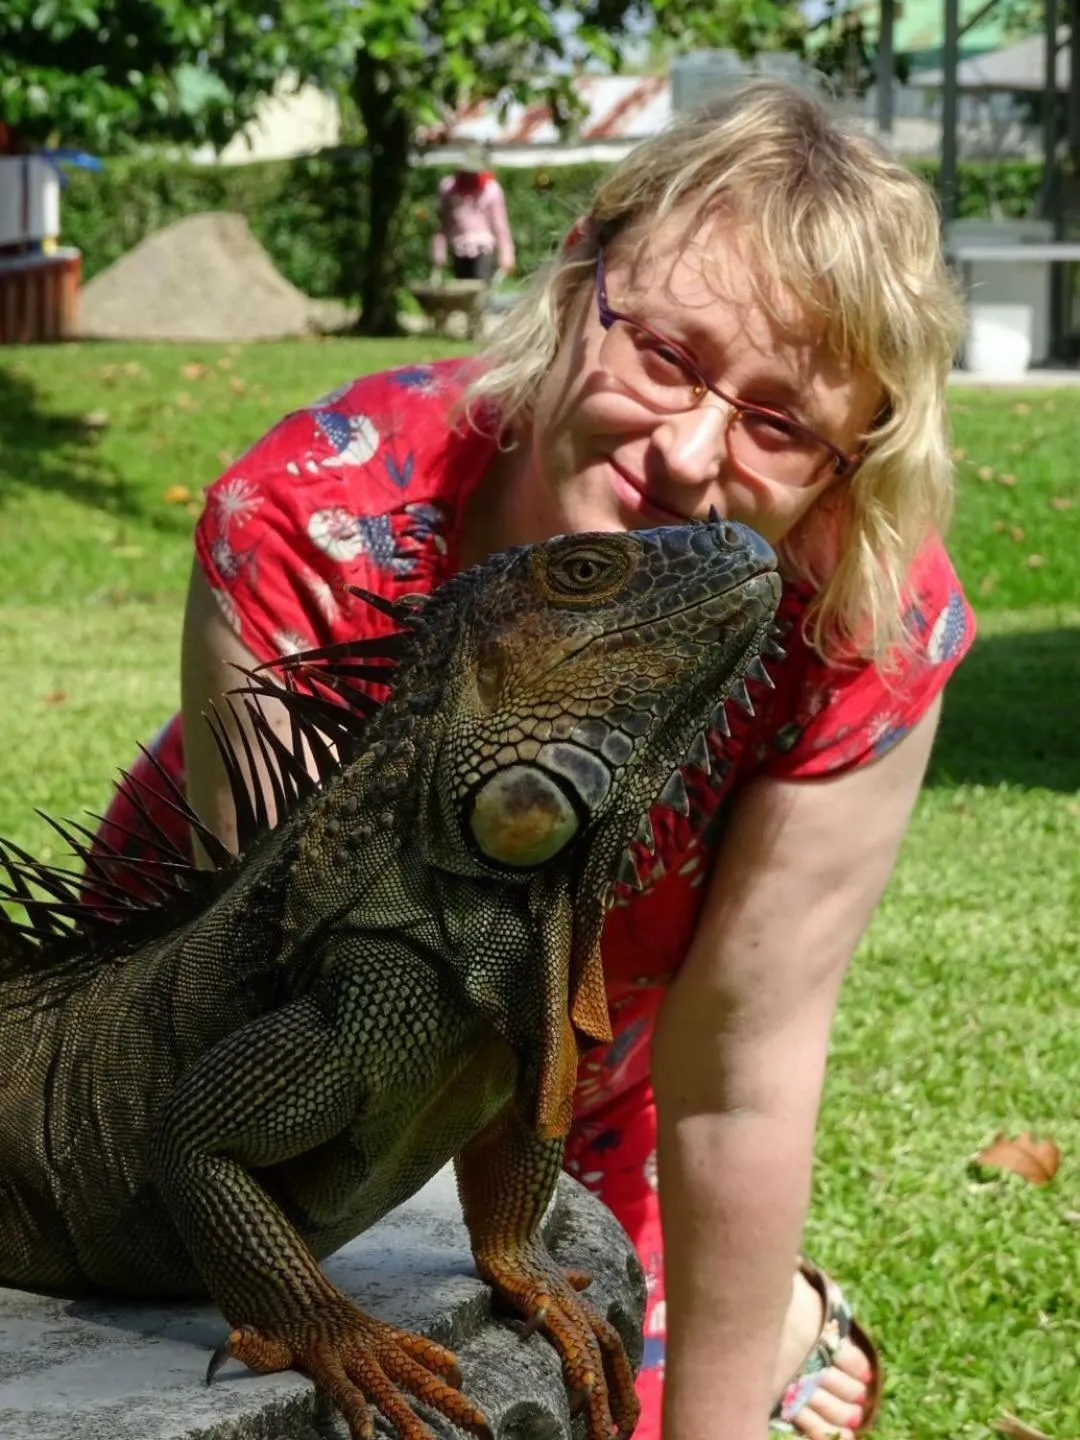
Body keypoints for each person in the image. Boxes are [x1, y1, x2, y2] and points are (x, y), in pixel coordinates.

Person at [90, 80, 973, 1440]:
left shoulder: (860, 618)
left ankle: (770, 1318)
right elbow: (274, 1012)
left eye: (781, 425)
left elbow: (740, 1081)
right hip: (254, 1045)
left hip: (552, 1102)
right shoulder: (317, 517)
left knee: (599, 1374)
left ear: (847, 467)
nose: (688, 454)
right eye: (667, 355)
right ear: (576, 284)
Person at [430, 142, 515, 284]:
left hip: (483, 249)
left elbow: (500, 226)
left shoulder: (491, 190)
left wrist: (506, 255)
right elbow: (442, 224)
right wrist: (439, 252)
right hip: (459, 248)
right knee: (462, 289)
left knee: (480, 288)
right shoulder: (449, 189)